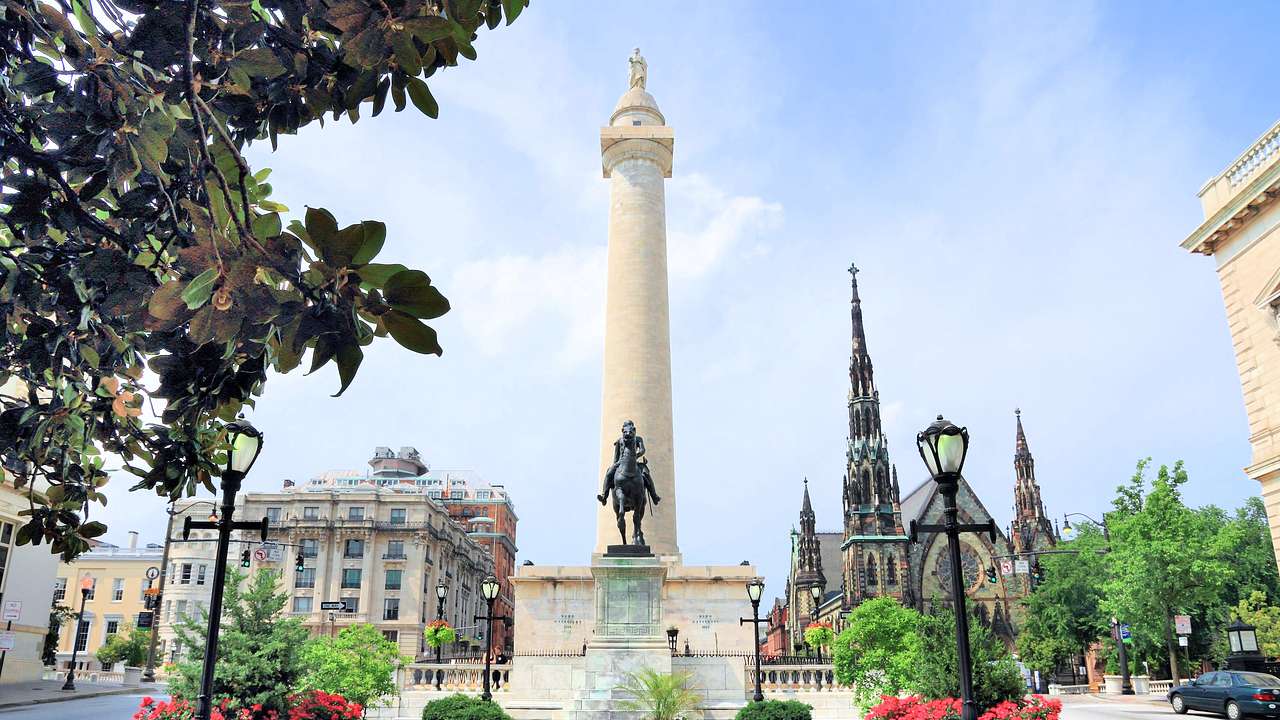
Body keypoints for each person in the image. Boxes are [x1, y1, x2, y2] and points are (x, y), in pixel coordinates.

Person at [598, 420, 661, 506]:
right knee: (609, 473)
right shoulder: (619, 441)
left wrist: (637, 455)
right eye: (625, 430)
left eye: (631, 429)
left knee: (646, 473)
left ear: (634, 430)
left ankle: (654, 496)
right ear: (623, 430)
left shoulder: (638, 439)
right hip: (620, 462)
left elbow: (642, 450)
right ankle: (604, 496)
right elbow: (616, 455)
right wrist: (615, 465)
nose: (628, 433)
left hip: (635, 461)